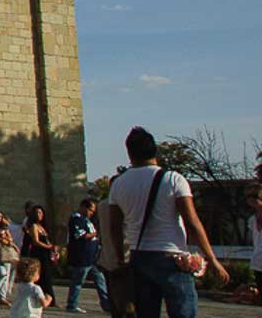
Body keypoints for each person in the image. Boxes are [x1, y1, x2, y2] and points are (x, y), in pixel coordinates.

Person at [107, 126, 228, 318]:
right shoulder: (173, 179)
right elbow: (192, 222)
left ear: (129, 153)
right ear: (155, 150)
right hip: (172, 257)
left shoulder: (119, 184)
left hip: (139, 256)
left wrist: (121, 257)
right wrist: (211, 259)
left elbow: (115, 227)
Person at [66, 197, 110, 314]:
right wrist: (97, 233)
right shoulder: (76, 219)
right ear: (84, 207)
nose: (92, 213)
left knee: (100, 281)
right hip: (82, 257)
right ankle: (72, 304)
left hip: (92, 257)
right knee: (78, 281)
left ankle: (107, 305)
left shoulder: (87, 220)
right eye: (90, 210)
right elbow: (81, 235)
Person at [22, 205, 57, 303]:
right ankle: (46, 298)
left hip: (46, 254)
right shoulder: (34, 226)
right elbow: (35, 241)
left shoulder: (43, 227)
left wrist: (52, 248)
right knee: (43, 276)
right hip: (39, 253)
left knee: (48, 275)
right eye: (37, 212)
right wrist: (47, 246)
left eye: (41, 213)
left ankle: (48, 297)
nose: (39, 215)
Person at [0, 208, 21, 306]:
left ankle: (2, 296)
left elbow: (10, 239)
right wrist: (5, 238)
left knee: (6, 275)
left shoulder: (4, 227)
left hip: (6, 253)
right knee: (2, 273)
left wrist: (5, 238)